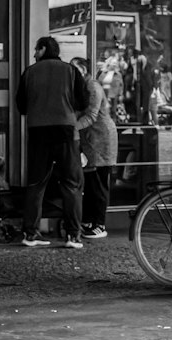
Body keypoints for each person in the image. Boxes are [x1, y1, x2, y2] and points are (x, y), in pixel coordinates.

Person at [14, 34, 88, 249]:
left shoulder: (29, 72)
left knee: (36, 184)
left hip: (38, 132)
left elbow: (21, 107)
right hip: (65, 132)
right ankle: (73, 236)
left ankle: (30, 233)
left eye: (36, 50)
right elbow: (83, 101)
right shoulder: (70, 71)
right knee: (71, 184)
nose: (34, 54)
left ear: (44, 49)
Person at [74, 57, 117, 239]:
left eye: (74, 68)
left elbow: (91, 115)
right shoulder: (83, 86)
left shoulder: (92, 87)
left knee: (98, 183)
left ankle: (99, 224)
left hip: (101, 139)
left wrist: (71, 128)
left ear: (83, 70)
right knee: (91, 183)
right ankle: (91, 221)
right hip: (91, 139)